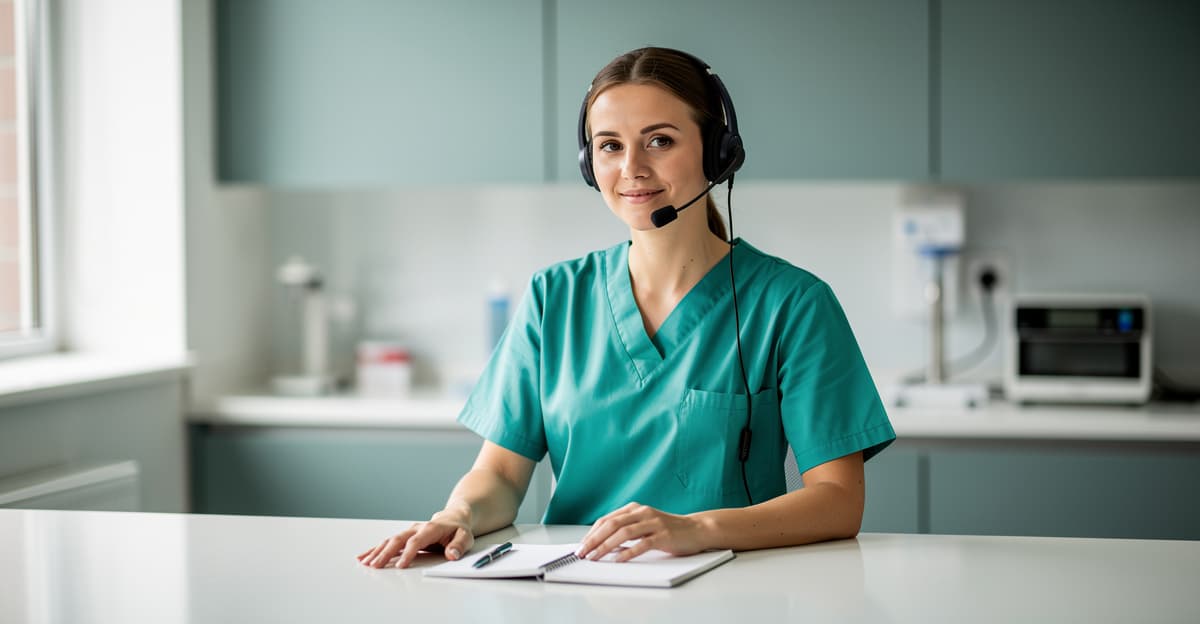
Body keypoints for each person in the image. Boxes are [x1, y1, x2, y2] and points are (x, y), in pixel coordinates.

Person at [358, 47, 895, 569]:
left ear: (717, 152)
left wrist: (696, 529)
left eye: (659, 140)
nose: (631, 167)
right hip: (577, 586)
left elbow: (837, 500)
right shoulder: (555, 297)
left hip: (731, 591)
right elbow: (500, 473)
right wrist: (460, 515)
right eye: (610, 146)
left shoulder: (792, 304)